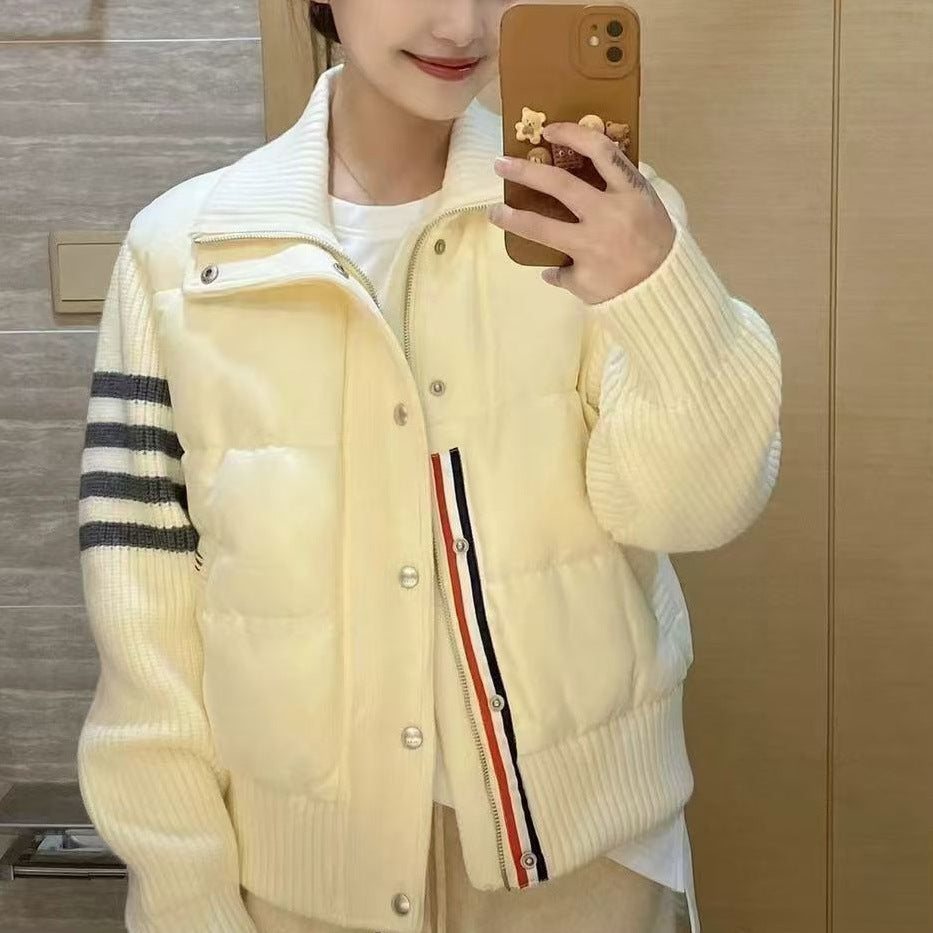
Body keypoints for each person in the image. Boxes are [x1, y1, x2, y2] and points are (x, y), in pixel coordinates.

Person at [75, 1, 783, 932]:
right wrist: (182, 894)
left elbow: (688, 510)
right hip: (295, 883)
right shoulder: (183, 253)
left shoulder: (606, 225)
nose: (460, 26)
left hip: (582, 872)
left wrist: (657, 289)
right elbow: (146, 622)